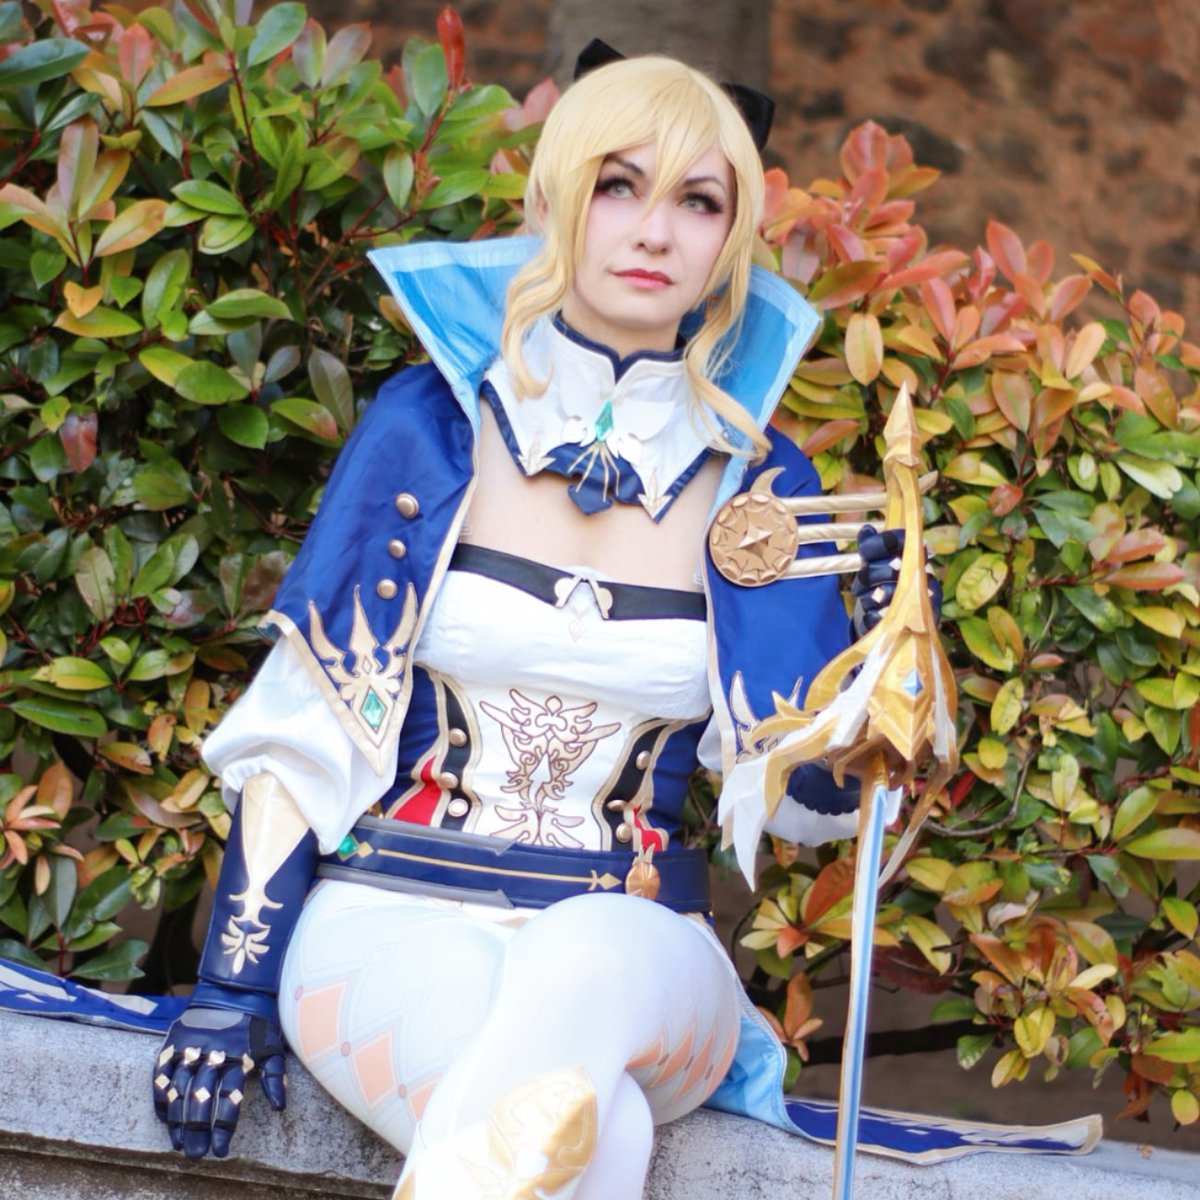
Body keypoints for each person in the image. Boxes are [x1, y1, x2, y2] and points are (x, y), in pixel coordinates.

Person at [150, 49, 888, 1199]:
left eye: (698, 202)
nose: (654, 232)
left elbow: (806, 809)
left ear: (732, 239)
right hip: (388, 919)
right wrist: (231, 987)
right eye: (617, 185)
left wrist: (872, 673)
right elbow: (304, 733)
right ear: (549, 203)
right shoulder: (428, 429)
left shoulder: (763, 488)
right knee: (599, 1135)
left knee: (583, 956)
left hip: (641, 950)